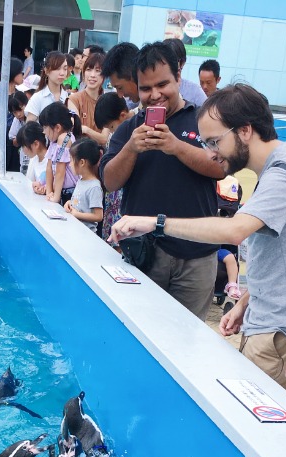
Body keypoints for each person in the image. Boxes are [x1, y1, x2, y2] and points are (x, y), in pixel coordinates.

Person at [110, 83, 286, 389]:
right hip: (276, 323)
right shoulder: (284, 164)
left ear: (244, 131)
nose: (211, 154)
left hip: (283, 334)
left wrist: (155, 223)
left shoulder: (282, 174)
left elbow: (233, 230)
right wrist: (246, 303)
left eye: (214, 142)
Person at [100, 42, 226, 321]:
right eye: (146, 88)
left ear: (178, 77)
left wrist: (176, 146)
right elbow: (110, 181)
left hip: (196, 255)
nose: (155, 94)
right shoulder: (130, 129)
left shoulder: (203, 120)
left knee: (189, 341)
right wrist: (131, 148)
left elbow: (222, 168)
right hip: (144, 255)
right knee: (141, 333)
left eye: (163, 84)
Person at [94, 93, 133, 245]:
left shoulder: (134, 131)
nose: (110, 131)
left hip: (125, 195)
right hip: (113, 194)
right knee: (111, 238)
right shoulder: (116, 133)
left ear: (123, 115)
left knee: (123, 237)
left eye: (111, 126)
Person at [39, 102, 82, 205]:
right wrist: (49, 192)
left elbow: (60, 171)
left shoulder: (65, 138)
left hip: (70, 193)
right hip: (59, 190)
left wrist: (56, 197)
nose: (43, 132)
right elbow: (49, 168)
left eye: (45, 127)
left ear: (57, 127)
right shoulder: (53, 142)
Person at [67, 53, 109, 145]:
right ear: (83, 72)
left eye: (98, 71)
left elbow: (104, 139)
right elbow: (76, 131)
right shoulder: (74, 99)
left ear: (104, 75)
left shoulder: (108, 103)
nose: (92, 75)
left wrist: (86, 130)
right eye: (89, 70)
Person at [65, 138, 104, 231]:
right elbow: (79, 203)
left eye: (71, 160)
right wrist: (69, 203)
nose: (69, 164)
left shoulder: (94, 187)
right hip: (76, 231)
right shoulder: (81, 180)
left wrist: (77, 214)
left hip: (86, 235)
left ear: (82, 162)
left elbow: (98, 216)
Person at [25, 52, 69, 122]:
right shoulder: (37, 98)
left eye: (65, 69)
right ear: (46, 71)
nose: (62, 73)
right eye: (57, 68)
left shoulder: (69, 97)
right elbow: (29, 128)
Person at [162, 38, 204, 107]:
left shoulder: (195, 92)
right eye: (163, 62)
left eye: (172, 62)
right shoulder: (151, 90)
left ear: (182, 63)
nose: (167, 66)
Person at [20, 121, 49, 193]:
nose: (23, 150)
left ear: (36, 144)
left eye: (23, 146)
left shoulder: (50, 161)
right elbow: (29, 183)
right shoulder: (34, 159)